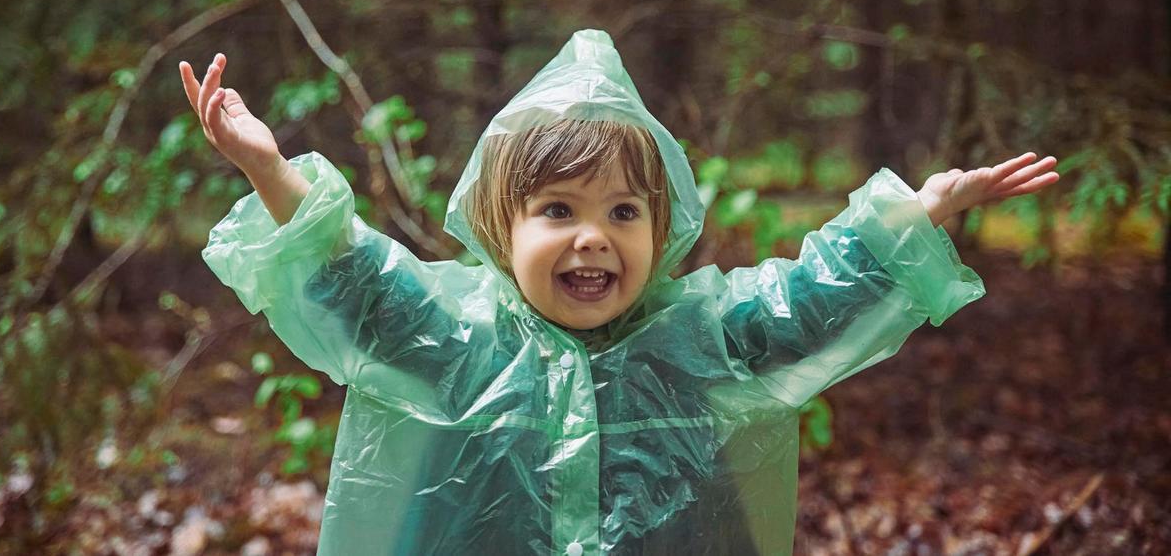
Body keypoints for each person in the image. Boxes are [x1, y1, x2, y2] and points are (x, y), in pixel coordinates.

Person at [181, 30, 1058, 554]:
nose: (592, 234)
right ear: (501, 229)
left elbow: (813, 299)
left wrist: (916, 215)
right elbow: (357, 281)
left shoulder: (705, 337)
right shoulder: (459, 338)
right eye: (557, 210)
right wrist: (269, 172)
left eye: (623, 210)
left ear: (658, 229)